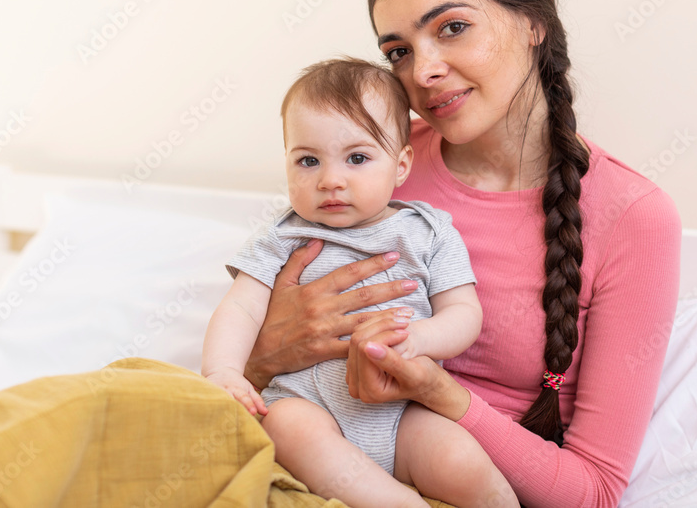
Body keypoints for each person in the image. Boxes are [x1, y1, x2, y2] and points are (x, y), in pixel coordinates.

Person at [244, 0, 682, 508]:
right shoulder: (367, 168)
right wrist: (273, 349)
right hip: (316, 448)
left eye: (451, 28)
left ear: (533, 23)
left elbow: (594, 494)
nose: (421, 72)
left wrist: (441, 393)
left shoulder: (632, 215)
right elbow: (262, 348)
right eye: (398, 50)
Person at [202, 58, 520, 508]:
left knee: (460, 459)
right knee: (288, 427)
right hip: (309, 405)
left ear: (401, 164)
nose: (331, 180)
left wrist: (420, 336)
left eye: (357, 158)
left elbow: (465, 313)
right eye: (308, 160)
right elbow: (241, 308)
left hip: (402, 413)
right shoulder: (284, 237)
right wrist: (223, 371)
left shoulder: (429, 232)